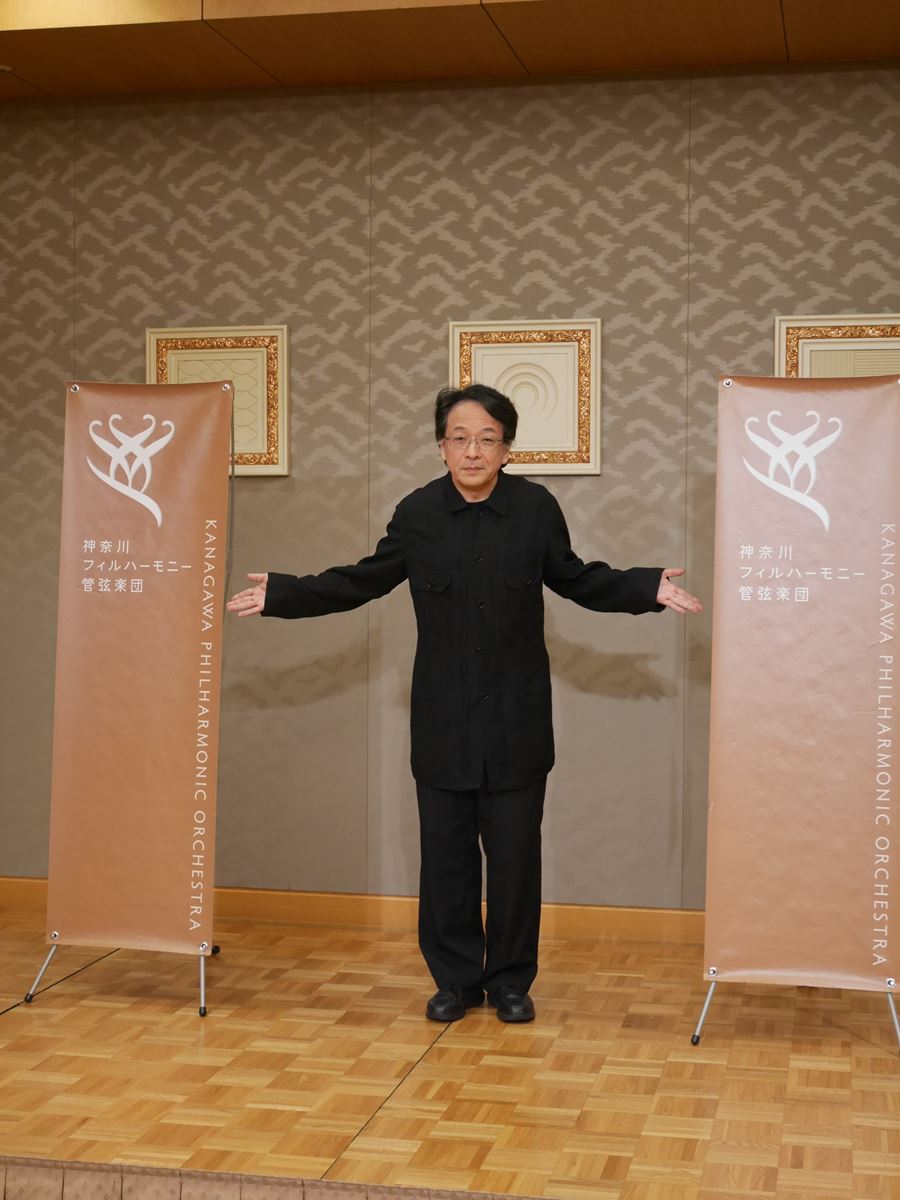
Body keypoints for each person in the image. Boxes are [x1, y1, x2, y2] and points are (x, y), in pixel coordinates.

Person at [227, 383, 702, 1024]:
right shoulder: (418, 513)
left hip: (517, 720)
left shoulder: (535, 509)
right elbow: (362, 579)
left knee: (514, 861)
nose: (472, 451)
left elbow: (577, 576)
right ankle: (454, 981)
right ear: (441, 447)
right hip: (443, 720)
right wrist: (284, 594)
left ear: (507, 449)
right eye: (460, 438)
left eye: (487, 439)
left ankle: (509, 982)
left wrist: (645, 588)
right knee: (446, 860)